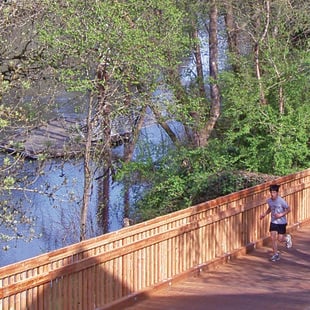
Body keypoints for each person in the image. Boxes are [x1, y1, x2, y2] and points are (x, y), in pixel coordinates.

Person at [260, 184, 292, 261]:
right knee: (273, 238)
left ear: (277, 193)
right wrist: (264, 214)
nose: (272, 194)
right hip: (273, 222)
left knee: (280, 239)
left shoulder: (281, 201)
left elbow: (288, 209)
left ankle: (287, 238)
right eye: (271, 192)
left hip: (281, 223)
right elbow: (270, 208)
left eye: (274, 192)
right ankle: (275, 254)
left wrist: (281, 214)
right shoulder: (269, 201)